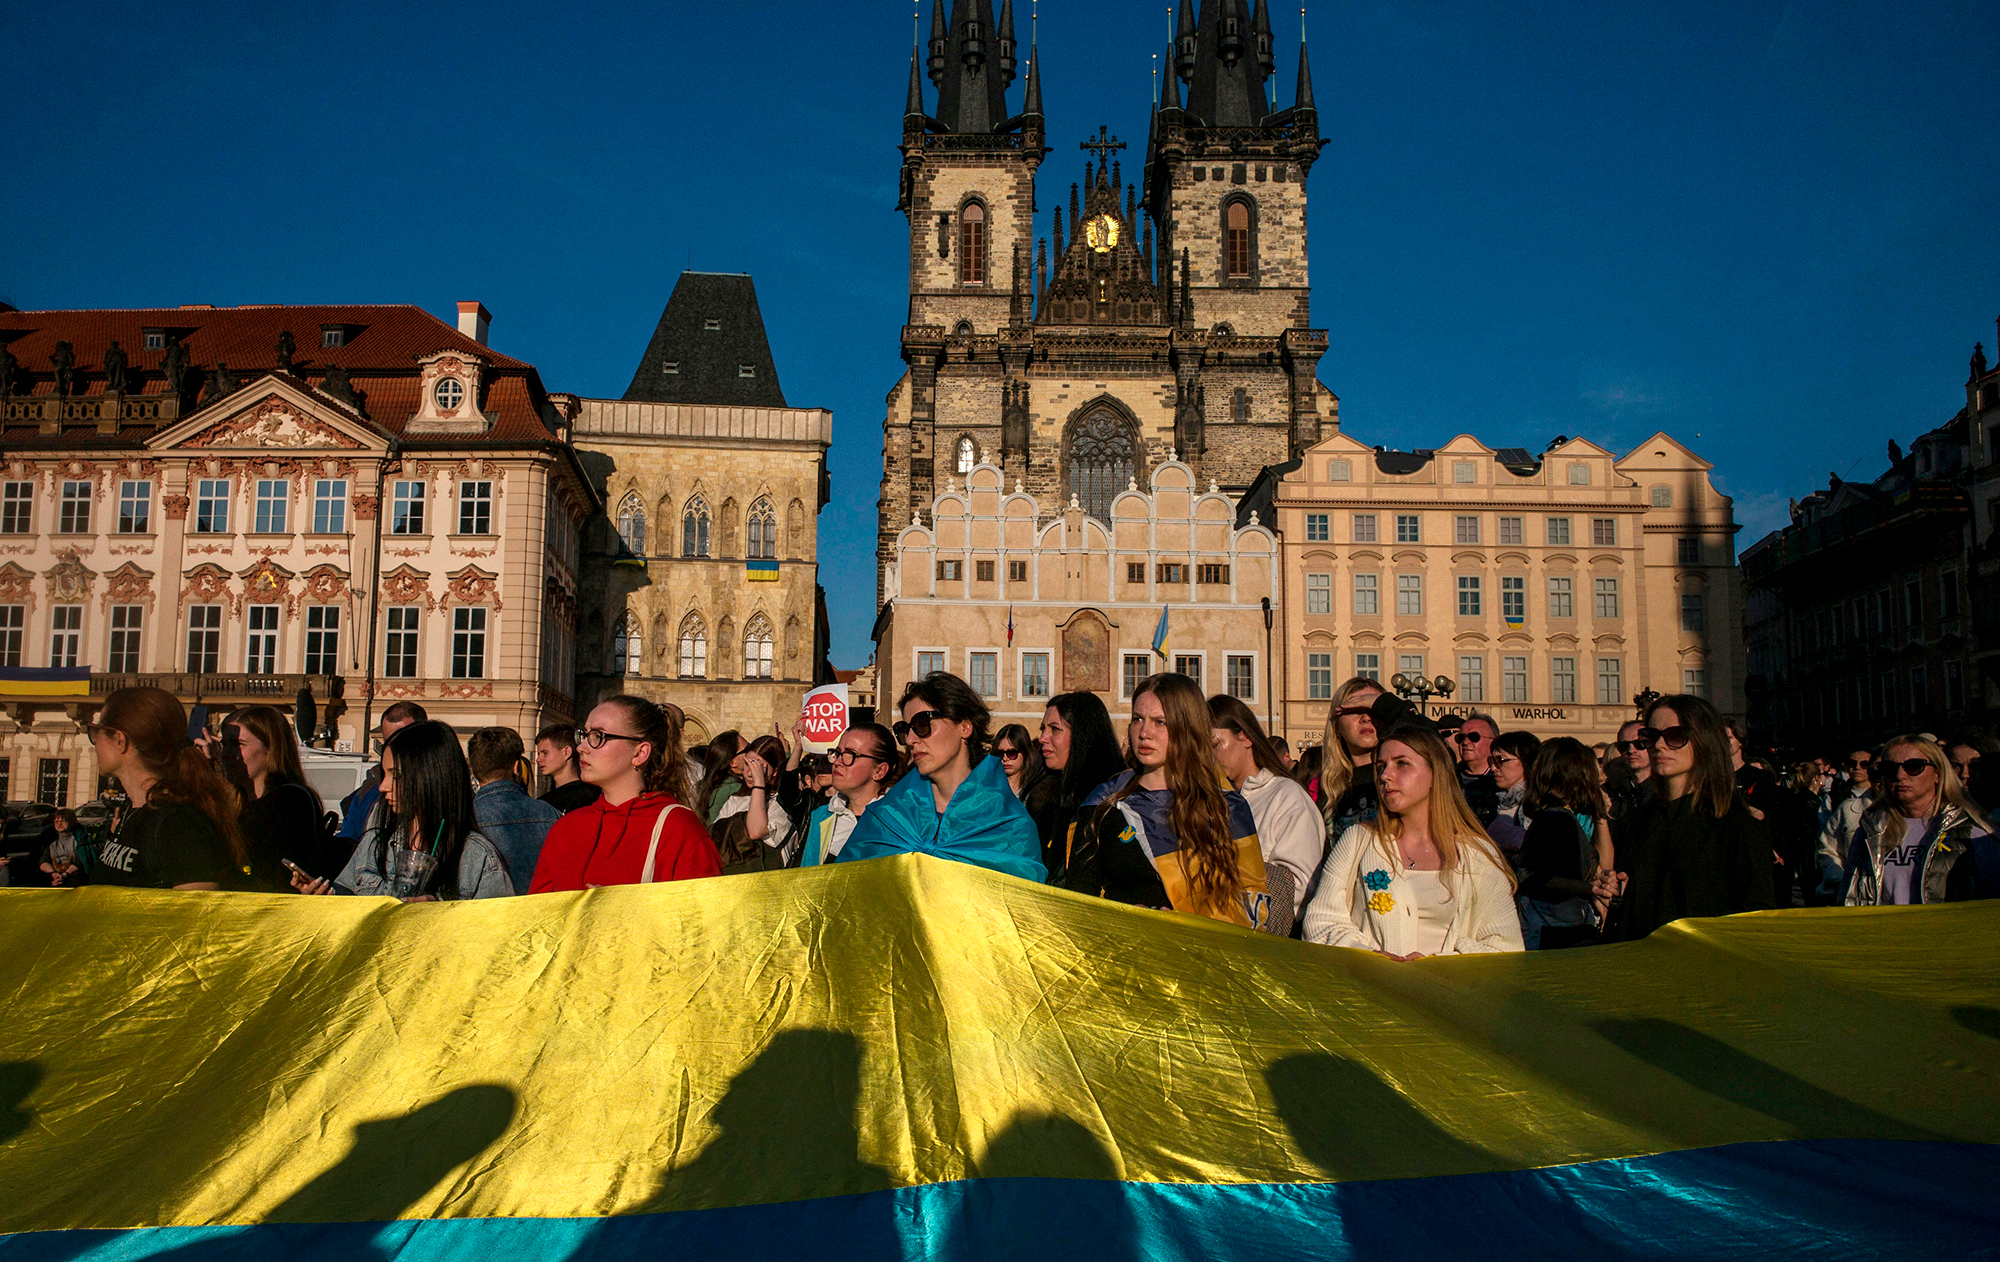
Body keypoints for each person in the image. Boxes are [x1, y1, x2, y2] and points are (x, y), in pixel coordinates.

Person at [1062, 673, 1274, 931]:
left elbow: (1252, 901)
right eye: (1137, 719)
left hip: (1201, 951)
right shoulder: (1104, 804)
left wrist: (1181, 925)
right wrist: (1123, 918)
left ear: (1187, 728)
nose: (1144, 733)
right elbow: (1078, 902)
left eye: (1160, 722)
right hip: (1121, 946)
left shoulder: (1225, 808)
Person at [1301, 724, 1523, 957]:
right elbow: (1320, 923)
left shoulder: (1477, 854)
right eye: (1381, 767)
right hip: (1369, 979)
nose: (1385, 776)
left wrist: (1438, 964)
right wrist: (1368, 955)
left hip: (1449, 981)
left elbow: (1505, 947)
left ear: (1435, 773)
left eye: (1402, 764)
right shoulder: (1358, 841)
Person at [835, 672, 1045, 881]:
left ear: (964, 726)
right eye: (905, 729)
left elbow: (1021, 898)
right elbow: (844, 887)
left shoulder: (1010, 825)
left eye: (921, 724)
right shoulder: (886, 816)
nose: (910, 739)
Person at [1608, 695, 1775, 941]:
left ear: (1703, 740)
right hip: (1641, 957)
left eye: (1675, 736)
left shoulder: (1736, 827)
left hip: (1704, 958)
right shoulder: (1641, 819)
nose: (1659, 745)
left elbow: (1757, 919)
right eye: (1651, 736)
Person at [296, 721, 511, 900]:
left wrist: (439, 916)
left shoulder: (478, 858)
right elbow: (346, 909)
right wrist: (323, 899)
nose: (383, 787)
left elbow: (494, 933)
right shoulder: (374, 844)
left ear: (431, 777)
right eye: (384, 775)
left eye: (396, 775)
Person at [529, 695, 720, 891]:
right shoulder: (565, 828)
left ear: (639, 753)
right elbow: (539, 908)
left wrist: (624, 906)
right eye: (584, 735)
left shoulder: (679, 829)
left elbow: (706, 908)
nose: (581, 747)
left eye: (598, 736)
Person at [84, 686, 246, 891]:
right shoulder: (136, 812)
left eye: (97, 732)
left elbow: (197, 908)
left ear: (119, 740)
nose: (95, 743)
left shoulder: (179, 825)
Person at [1209, 694, 1323, 935]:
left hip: (1261, 938)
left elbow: (1298, 887)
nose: (1210, 758)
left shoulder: (1286, 796)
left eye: (1214, 745)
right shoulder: (1210, 800)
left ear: (1245, 737)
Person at [1843, 735, 2000, 905]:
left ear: (1938, 773)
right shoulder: (1871, 828)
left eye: (1914, 766)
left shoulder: (1969, 829)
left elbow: (1992, 899)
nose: (1899, 775)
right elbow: (1849, 894)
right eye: (1889, 768)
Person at [1514, 738, 1620, 949]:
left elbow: (1599, 867)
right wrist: (1590, 888)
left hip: (1559, 927)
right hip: (1552, 932)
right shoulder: (1557, 819)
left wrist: (1600, 815)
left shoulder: (1563, 816)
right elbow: (1538, 878)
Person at [221, 704, 330, 892]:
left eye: (238, 744)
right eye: (224, 744)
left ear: (270, 748)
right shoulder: (236, 800)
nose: (227, 754)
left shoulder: (289, 800)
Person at [1033, 692, 1126, 882]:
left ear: (1082, 735)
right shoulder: (1045, 799)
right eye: (1043, 729)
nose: (1043, 738)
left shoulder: (1112, 801)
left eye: (1055, 729)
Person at [469, 727, 563, 895]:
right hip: (540, 908)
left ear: (474, 770)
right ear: (516, 767)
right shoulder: (549, 814)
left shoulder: (465, 817)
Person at [800, 724, 903, 866]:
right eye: (837, 753)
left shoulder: (901, 820)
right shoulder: (822, 817)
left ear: (879, 771)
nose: (837, 762)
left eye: (850, 755)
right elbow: (809, 874)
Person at [336, 701, 426, 846]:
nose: (392, 750)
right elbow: (347, 842)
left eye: (402, 743)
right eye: (388, 742)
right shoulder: (368, 792)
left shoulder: (446, 795)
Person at [712, 735, 789, 874]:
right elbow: (717, 837)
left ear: (775, 771)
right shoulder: (734, 800)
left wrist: (759, 784)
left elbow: (755, 831)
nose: (749, 773)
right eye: (747, 764)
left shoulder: (781, 804)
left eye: (758, 766)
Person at [1817, 747, 1877, 905]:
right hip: (1852, 892)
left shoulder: (1901, 806)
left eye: (1864, 764)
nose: (1857, 768)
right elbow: (1828, 846)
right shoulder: (1839, 800)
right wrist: (1838, 879)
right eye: (1852, 763)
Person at [1486, 730, 1541, 858]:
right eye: (1491, 761)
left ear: (1526, 761)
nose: (1493, 768)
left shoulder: (1535, 803)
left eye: (1500, 760)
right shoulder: (1491, 800)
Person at [534, 723, 602, 814]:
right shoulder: (542, 801)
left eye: (545, 753)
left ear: (566, 752)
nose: (538, 759)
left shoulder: (587, 798)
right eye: (539, 754)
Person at [1451, 713, 1502, 826]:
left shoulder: (1502, 781)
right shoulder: (1448, 778)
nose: (1465, 742)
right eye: (1460, 738)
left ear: (1493, 742)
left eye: (1474, 737)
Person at [695, 730, 748, 825]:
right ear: (733, 762)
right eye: (747, 749)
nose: (753, 752)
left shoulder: (703, 785)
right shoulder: (734, 790)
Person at [1607, 720, 1653, 820]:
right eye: (1624, 746)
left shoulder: (1666, 790)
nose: (1631, 750)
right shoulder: (1613, 794)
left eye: (1639, 744)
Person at [994, 723, 1046, 799]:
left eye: (1012, 753)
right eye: (1000, 753)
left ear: (1025, 753)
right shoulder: (988, 785)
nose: (1005, 758)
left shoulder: (1036, 788)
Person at [38, 810, 87, 887]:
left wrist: (65, 875)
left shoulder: (78, 838)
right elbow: (43, 860)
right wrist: (53, 874)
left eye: (62, 821)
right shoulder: (51, 839)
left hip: (72, 873)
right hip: (53, 873)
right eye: (56, 822)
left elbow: (80, 861)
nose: (59, 824)